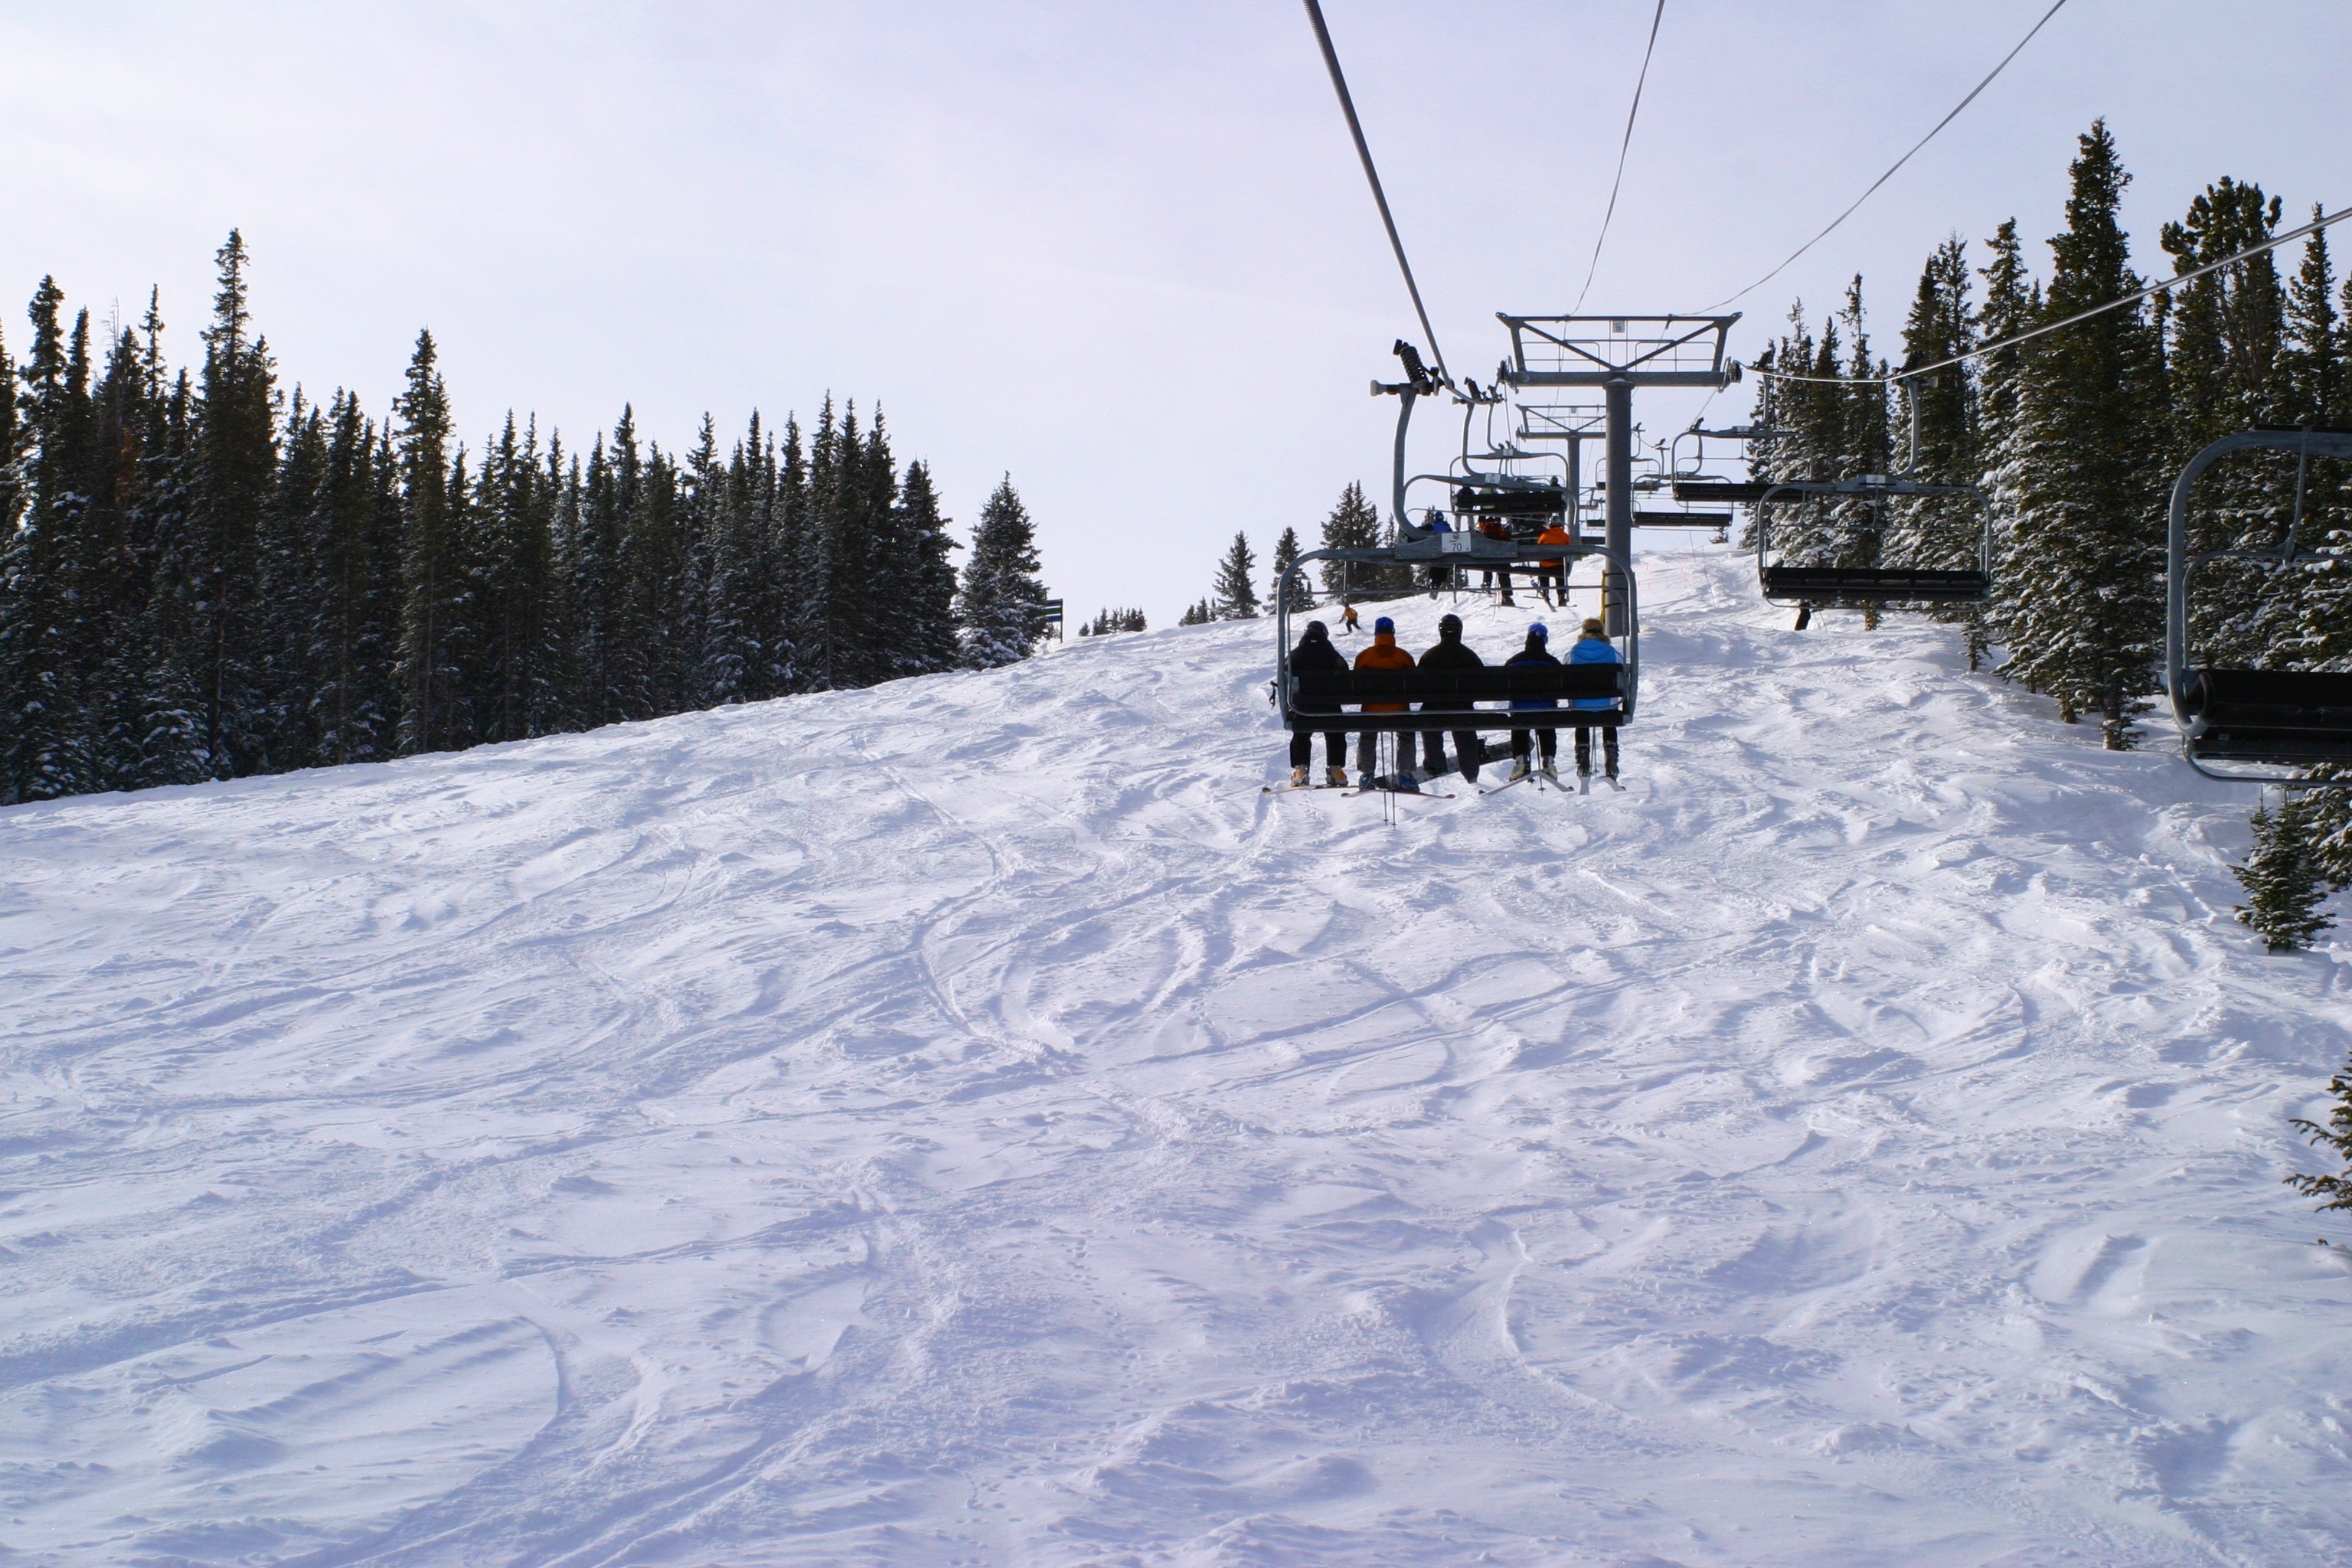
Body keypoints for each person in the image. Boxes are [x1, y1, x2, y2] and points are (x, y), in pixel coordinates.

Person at [1416, 612, 1488, 784]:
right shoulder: (1469, 656)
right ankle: (1470, 770)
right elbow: (1484, 683)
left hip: (1434, 709)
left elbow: (1417, 685)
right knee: (1464, 727)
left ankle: (1435, 764)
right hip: (1462, 708)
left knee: (1430, 725)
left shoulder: (1430, 656)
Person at [1352, 613, 1416, 788]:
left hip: (1371, 711)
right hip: (1399, 711)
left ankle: (1367, 773)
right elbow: (1414, 683)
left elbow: (1355, 684)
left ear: (1376, 634)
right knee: (1406, 734)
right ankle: (1404, 773)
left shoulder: (1365, 657)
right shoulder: (1403, 657)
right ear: (1393, 633)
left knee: (1368, 734)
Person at [1285, 619, 1351, 788]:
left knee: (1301, 733)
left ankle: (1301, 771)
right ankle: (1335, 770)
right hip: (1330, 706)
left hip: (1303, 707)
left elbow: (1284, 674)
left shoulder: (1296, 654)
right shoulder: (1332, 655)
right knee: (1335, 731)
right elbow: (1345, 675)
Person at [1567, 616, 1625, 787]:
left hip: (1581, 706)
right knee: (1608, 718)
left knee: (1583, 717)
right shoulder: (1612, 653)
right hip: (1608, 705)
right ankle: (1611, 762)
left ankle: (1583, 764)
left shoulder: (1573, 652)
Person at [1505, 622, 1561, 782]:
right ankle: (1548, 761)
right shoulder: (1552, 662)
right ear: (1545, 640)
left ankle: (1521, 762)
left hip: (1521, 710)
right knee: (1546, 723)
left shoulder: (1515, 661)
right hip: (1546, 710)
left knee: (1520, 723)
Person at [1534, 518, 1572, 606]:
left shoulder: (1545, 535)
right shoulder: (1566, 536)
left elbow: (1539, 545)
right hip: (1560, 564)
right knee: (1561, 577)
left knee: (1543, 574)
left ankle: (1545, 590)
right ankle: (1561, 596)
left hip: (1546, 564)